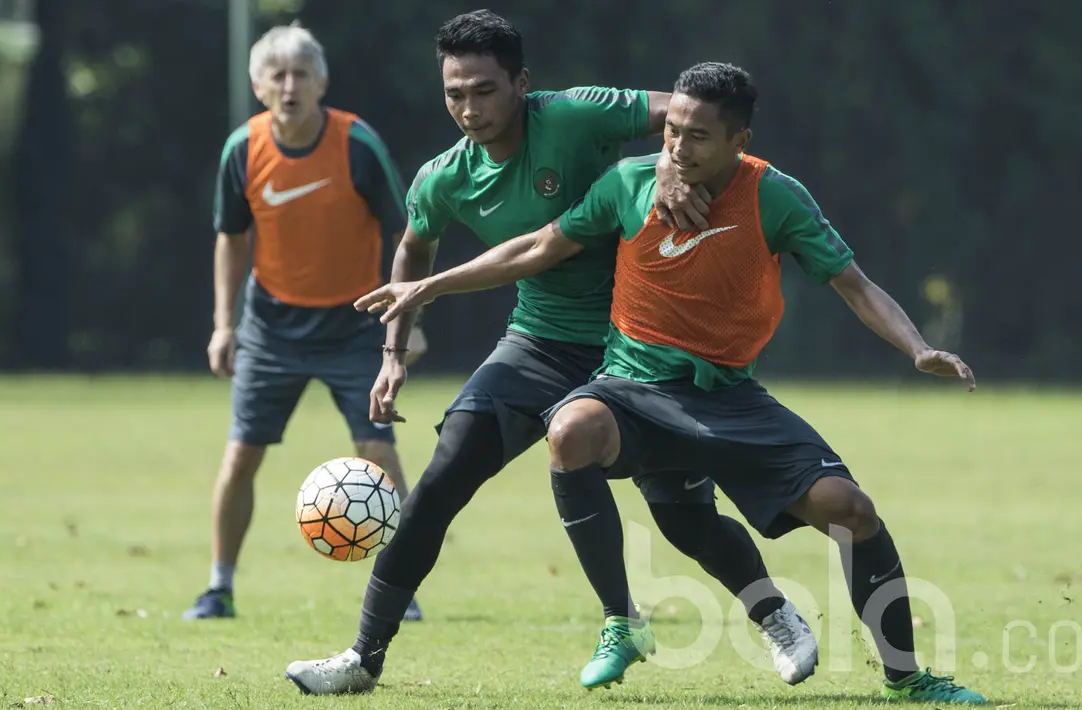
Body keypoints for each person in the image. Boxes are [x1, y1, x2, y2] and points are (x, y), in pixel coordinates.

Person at [356, 62, 988, 705]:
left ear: (740, 142)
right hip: (630, 389)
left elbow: (854, 284)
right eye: (672, 134)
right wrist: (428, 287)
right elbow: (536, 248)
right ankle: (618, 623)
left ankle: (908, 678)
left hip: (728, 397)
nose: (679, 148)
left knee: (848, 511)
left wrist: (918, 347)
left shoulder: (776, 196)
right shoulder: (626, 183)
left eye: (698, 137)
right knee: (570, 429)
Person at [284, 11, 819, 695]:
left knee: (684, 519)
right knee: (439, 483)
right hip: (537, 343)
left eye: (484, 90)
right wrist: (393, 350)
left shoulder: (575, 115)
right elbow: (414, 249)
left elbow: (682, 113)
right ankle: (363, 657)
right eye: (454, 94)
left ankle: (773, 614)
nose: (468, 109)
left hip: (640, 352)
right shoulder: (443, 177)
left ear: (522, 84)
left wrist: (665, 165)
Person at [183, 23, 422, 623]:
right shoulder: (242, 149)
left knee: (378, 452)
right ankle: (219, 587)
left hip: (354, 325)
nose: (289, 85)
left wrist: (405, 319)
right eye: (277, 75)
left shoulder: (356, 145)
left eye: (301, 74)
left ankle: (401, 588)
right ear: (259, 86)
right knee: (241, 456)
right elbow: (230, 239)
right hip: (270, 327)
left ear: (322, 83)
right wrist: (223, 324)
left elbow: (409, 233)